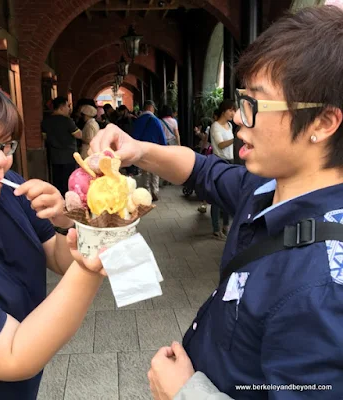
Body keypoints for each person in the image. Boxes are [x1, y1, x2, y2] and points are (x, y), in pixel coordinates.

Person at [90, 5, 343, 399]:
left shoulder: (320, 287)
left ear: (323, 123)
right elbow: (201, 170)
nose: (239, 118)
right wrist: (136, 149)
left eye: (254, 104)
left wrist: (185, 392)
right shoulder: (266, 187)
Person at [0, 67, 105, 399]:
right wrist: (92, 267)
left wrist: (67, 221)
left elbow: (59, 259)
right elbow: (16, 354)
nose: (3, 161)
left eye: (8, 146)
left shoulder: (9, 192)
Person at [41, 96, 81, 196]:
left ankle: (58, 199)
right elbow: (78, 135)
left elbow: (44, 137)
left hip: (54, 157)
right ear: (62, 107)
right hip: (69, 156)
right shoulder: (67, 121)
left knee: (57, 181)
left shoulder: (46, 121)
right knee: (69, 181)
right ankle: (69, 200)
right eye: (67, 106)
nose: (69, 109)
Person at [208, 100, 236, 239]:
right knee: (217, 196)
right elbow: (221, 144)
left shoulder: (230, 125)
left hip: (230, 162)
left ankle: (226, 225)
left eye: (234, 110)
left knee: (227, 195)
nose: (233, 113)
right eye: (231, 110)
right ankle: (216, 228)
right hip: (219, 162)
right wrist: (235, 138)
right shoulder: (215, 126)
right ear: (224, 111)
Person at [131, 100, 167, 201]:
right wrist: (164, 147)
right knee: (155, 171)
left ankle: (147, 191)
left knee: (145, 171)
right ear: (150, 107)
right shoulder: (156, 120)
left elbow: (134, 135)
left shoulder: (138, 120)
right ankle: (155, 191)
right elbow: (162, 136)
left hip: (142, 149)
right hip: (154, 149)